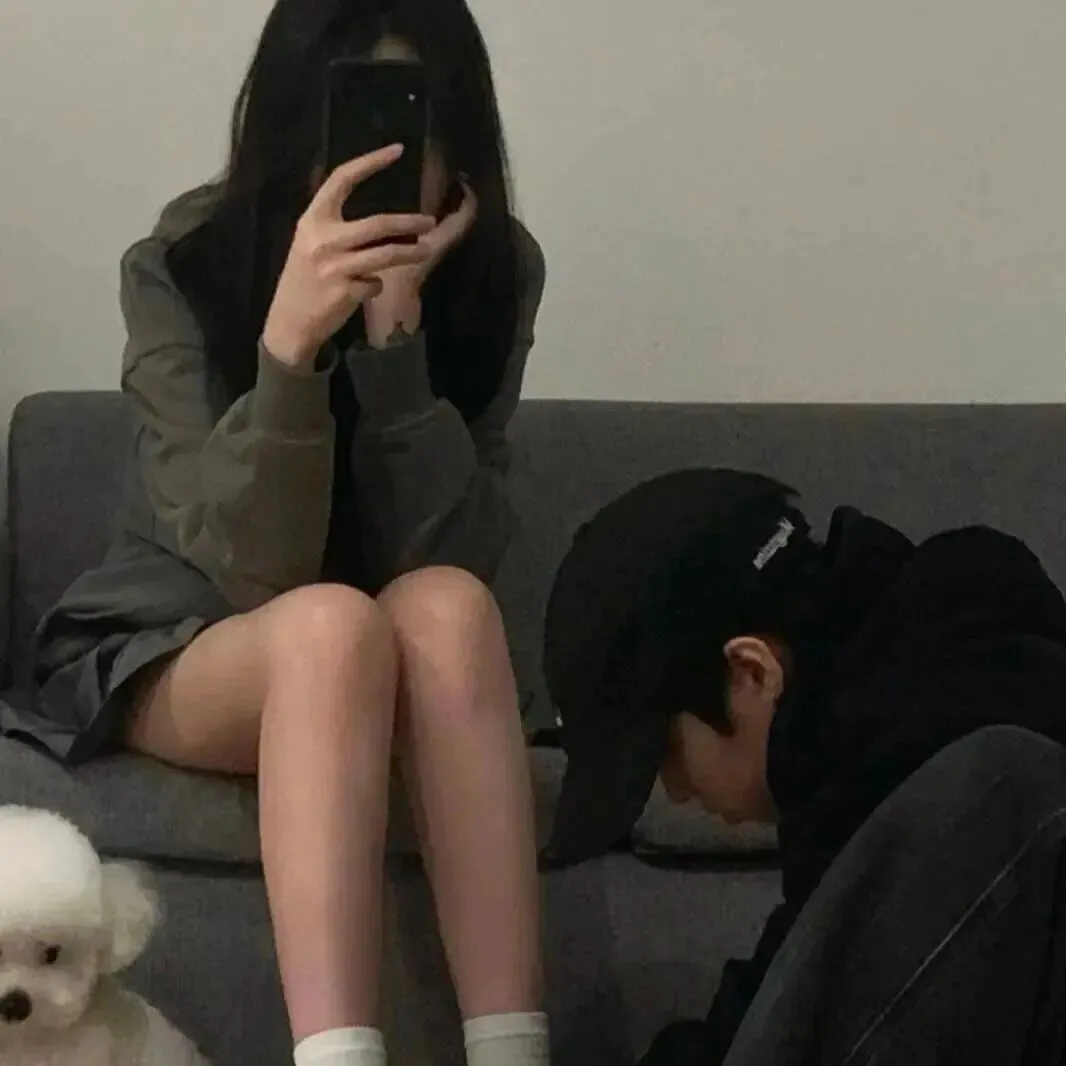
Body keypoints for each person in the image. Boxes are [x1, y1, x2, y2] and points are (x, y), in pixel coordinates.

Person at [0, 3, 549, 1066]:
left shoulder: (497, 270)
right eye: (345, 122)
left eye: (413, 124)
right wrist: (290, 349)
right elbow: (253, 569)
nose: (379, 161)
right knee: (327, 628)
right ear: (288, 124)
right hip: (187, 636)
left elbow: (453, 556)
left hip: (394, 640)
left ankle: (516, 1055)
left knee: (448, 606)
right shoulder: (183, 260)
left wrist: (396, 347)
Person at [540, 468, 1066, 1065]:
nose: (678, 792)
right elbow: (793, 984)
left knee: (996, 783)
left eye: (666, 756)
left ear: (752, 673)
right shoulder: (852, 755)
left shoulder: (948, 736)